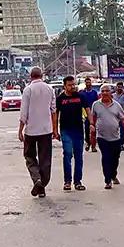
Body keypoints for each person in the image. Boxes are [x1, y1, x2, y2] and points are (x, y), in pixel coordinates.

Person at [18, 66, 57, 197]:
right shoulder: (49, 89)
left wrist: (20, 130)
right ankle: (42, 184)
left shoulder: (28, 90)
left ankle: (37, 179)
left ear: (30, 76)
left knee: (29, 156)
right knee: (45, 158)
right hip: (46, 129)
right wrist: (55, 129)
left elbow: (23, 113)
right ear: (42, 75)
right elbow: (53, 110)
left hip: (31, 130)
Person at [90, 83, 124, 188]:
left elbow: (123, 119)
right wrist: (92, 127)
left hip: (115, 136)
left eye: (107, 91)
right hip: (102, 136)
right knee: (106, 157)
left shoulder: (116, 105)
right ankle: (107, 180)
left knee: (115, 158)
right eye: (102, 91)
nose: (104, 93)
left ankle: (113, 174)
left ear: (111, 92)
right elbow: (93, 118)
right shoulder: (96, 105)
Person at [57, 75, 90, 190]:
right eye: (70, 85)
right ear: (64, 86)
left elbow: (87, 109)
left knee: (78, 156)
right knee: (67, 155)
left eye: (73, 84)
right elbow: (56, 114)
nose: (72, 87)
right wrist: (55, 130)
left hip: (78, 130)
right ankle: (67, 181)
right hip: (65, 130)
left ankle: (78, 181)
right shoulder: (60, 99)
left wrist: (91, 124)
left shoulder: (80, 96)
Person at [80, 76, 100, 150]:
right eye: (87, 82)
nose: (88, 84)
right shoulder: (82, 93)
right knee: (87, 129)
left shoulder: (94, 93)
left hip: (93, 113)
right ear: (85, 83)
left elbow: (97, 103)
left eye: (89, 82)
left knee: (93, 129)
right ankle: (88, 143)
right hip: (85, 114)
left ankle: (93, 146)